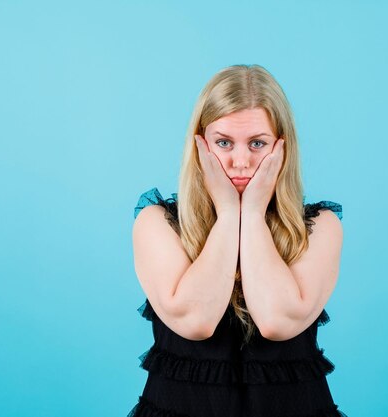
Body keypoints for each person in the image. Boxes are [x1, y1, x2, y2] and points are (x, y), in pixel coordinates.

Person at [128, 64, 347, 417]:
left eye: (257, 143)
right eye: (223, 143)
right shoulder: (156, 223)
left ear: (282, 148)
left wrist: (254, 213)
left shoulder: (320, 227)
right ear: (200, 144)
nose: (240, 162)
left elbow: (278, 322)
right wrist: (229, 214)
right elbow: (196, 321)